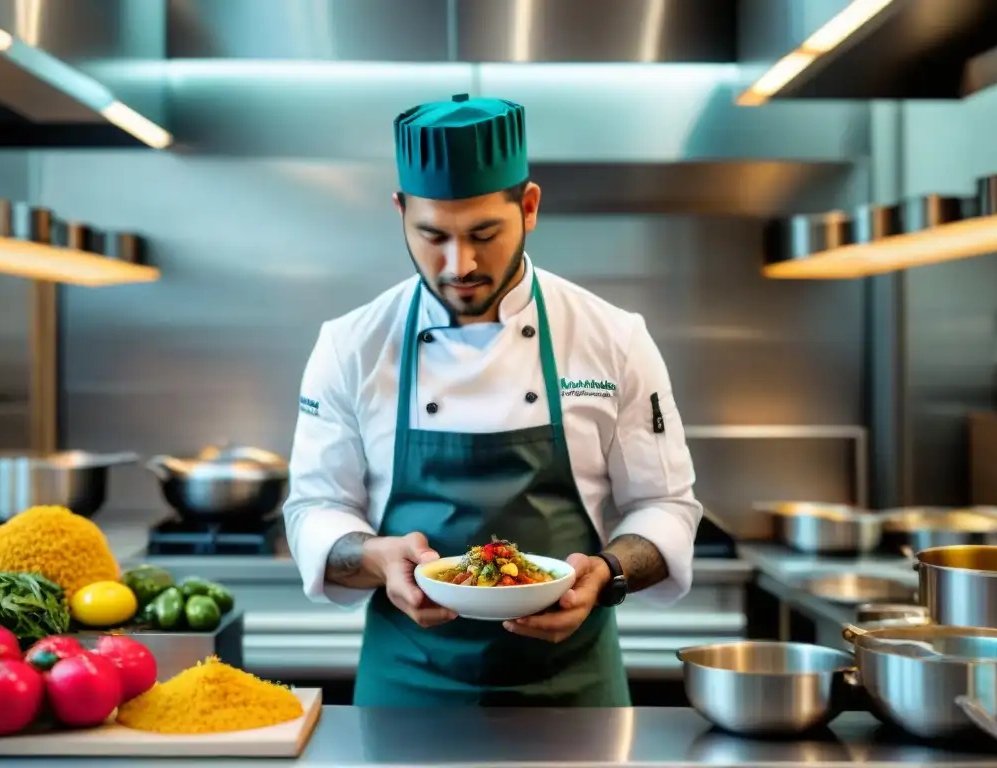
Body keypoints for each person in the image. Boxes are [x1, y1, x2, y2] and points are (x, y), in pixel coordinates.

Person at [283, 93, 703, 707]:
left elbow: (665, 506)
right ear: (399, 211)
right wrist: (376, 559)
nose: (460, 264)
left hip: (574, 692)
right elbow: (315, 507)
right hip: (407, 688)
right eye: (432, 235)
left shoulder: (612, 337)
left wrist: (606, 576)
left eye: (484, 233)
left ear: (528, 207)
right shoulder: (351, 345)